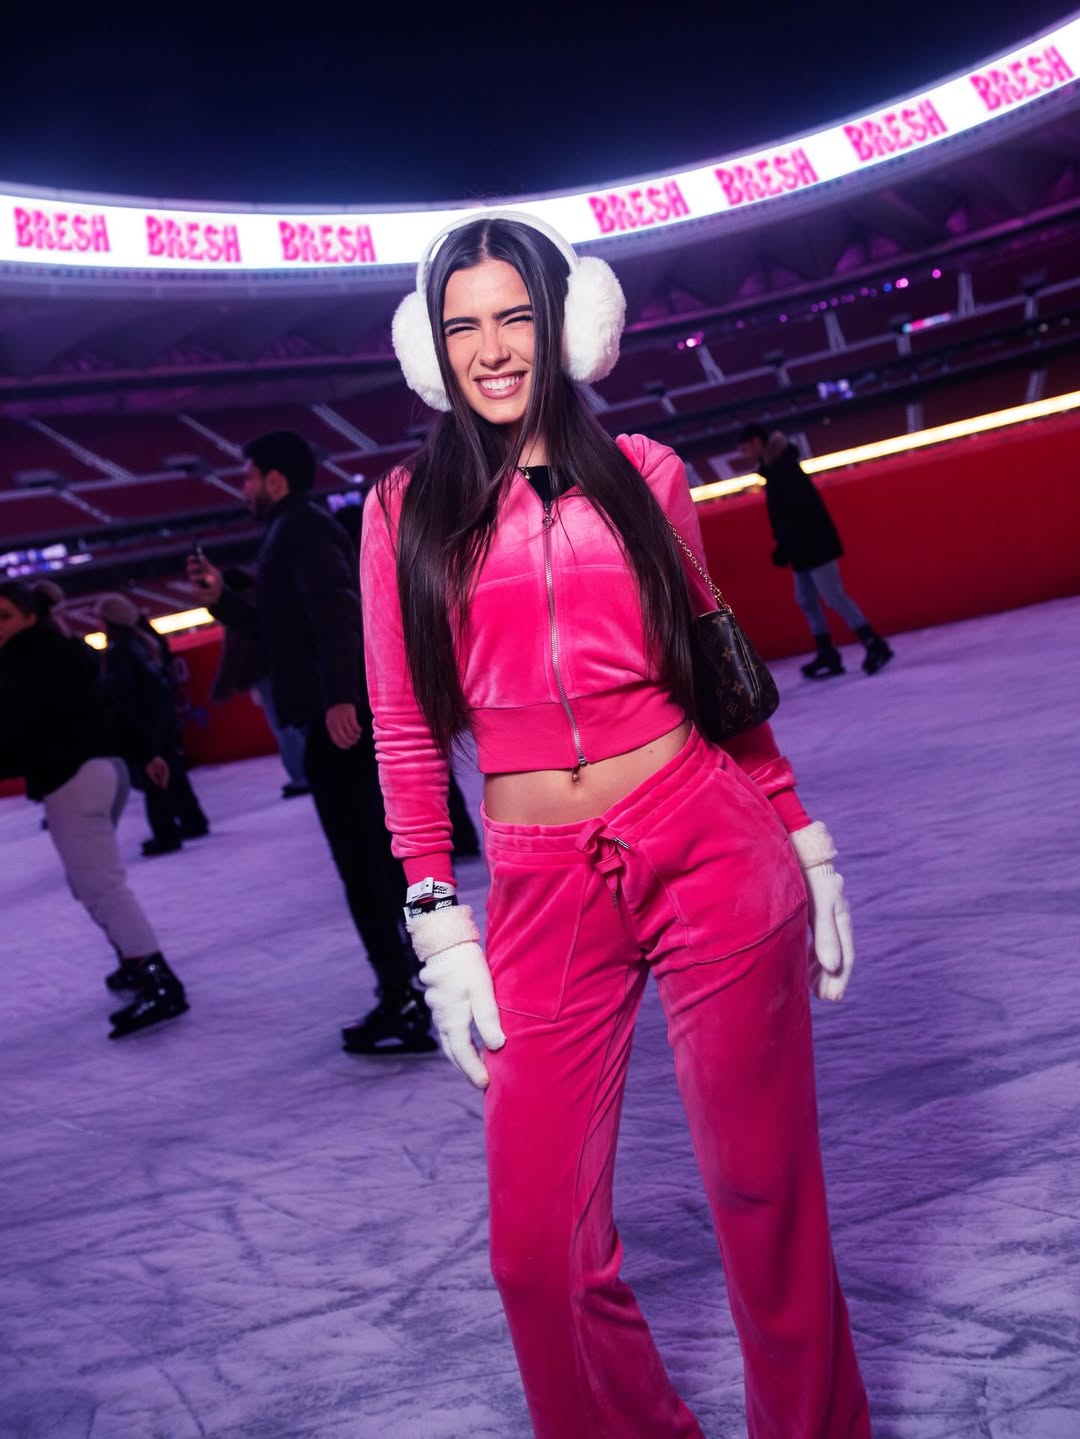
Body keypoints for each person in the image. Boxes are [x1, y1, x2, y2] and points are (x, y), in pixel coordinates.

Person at [361, 211, 871, 1437]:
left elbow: (717, 674)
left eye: (516, 317)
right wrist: (434, 912)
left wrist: (800, 834)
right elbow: (402, 724)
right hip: (540, 883)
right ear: (430, 348)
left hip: (707, 839)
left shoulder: (646, 473)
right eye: (463, 325)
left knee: (765, 1199)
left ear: (568, 324)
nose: (492, 349)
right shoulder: (401, 509)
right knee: (538, 1250)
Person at [186, 432, 435, 1056]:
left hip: (337, 721)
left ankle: (402, 996)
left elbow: (337, 612)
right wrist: (222, 602)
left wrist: (341, 696)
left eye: (248, 477)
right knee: (373, 859)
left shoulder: (300, 527)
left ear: (275, 479)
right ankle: (410, 982)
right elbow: (282, 634)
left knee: (363, 864)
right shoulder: (290, 529)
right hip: (334, 714)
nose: (243, 488)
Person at [0, 580, 188, 1038]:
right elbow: (108, 708)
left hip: (74, 781)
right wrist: (145, 752)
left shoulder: (21, 663)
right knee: (93, 880)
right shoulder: (67, 650)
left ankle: (158, 980)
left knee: (100, 886)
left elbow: (19, 734)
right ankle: (133, 961)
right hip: (108, 772)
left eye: (4, 616)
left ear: (30, 616)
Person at [737, 422, 894, 680]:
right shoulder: (774, 469)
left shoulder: (784, 468)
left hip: (815, 545)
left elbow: (798, 512)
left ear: (756, 443)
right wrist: (786, 546)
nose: (743, 454)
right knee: (806, 600)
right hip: (802, 548)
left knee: (833, 596)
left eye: (744, 448)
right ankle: (827, 652)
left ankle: (874, 643)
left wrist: (784, 546)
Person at [97, 594, 211, 855]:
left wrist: (124, 725)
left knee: (153, 777)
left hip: (145, 721)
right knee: (173, 772)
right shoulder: (143, 640)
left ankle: (165, 832)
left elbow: (123, 693)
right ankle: (192, 820)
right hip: (162, 716)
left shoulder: (119, 650)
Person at [210, 567, 310, 799]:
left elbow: (234, 653)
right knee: (294, 724)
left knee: (285, 726)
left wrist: (220, 690)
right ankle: (306, 772)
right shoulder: (265, 598)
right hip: (284, 668)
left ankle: (302, 775)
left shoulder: (242, 611)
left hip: (268, 674)